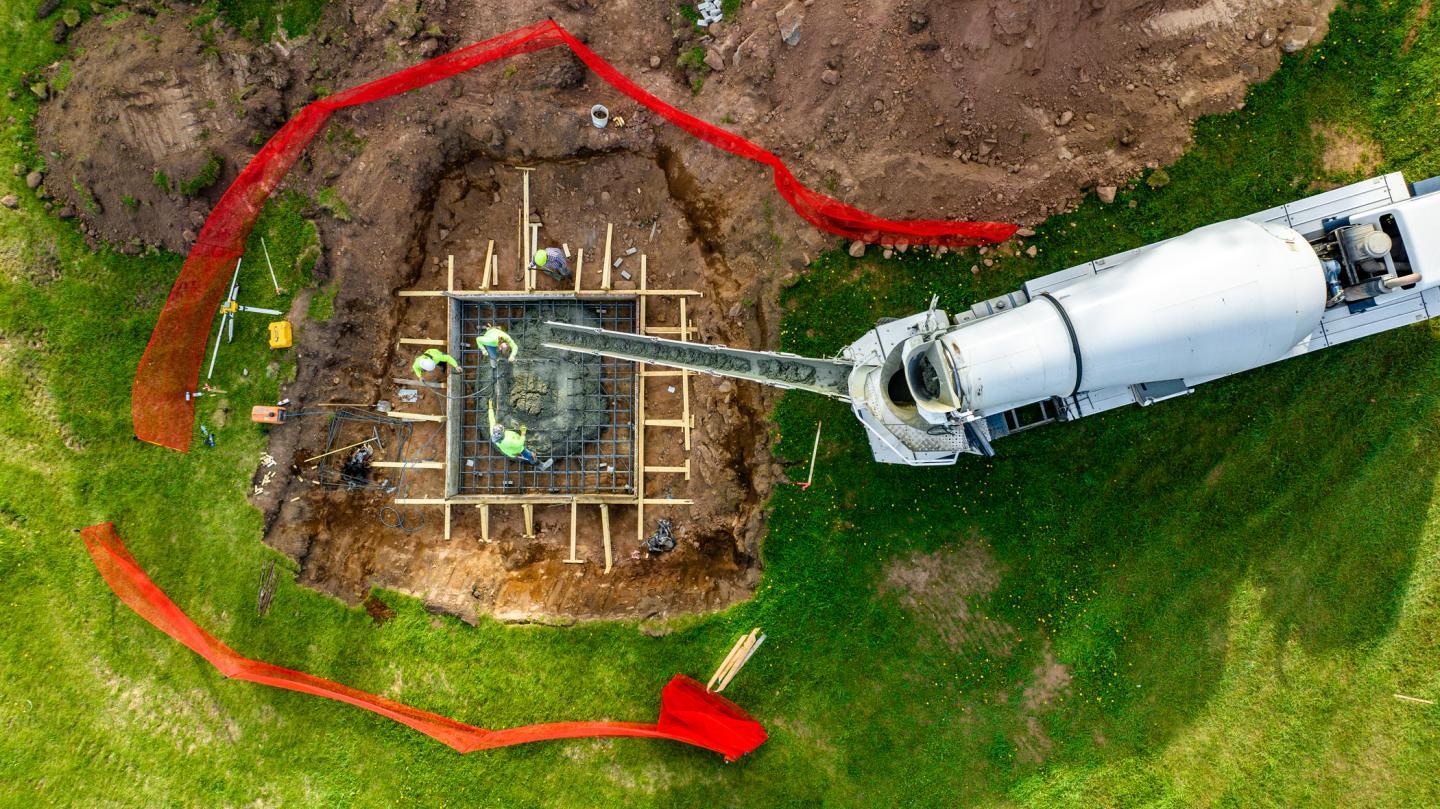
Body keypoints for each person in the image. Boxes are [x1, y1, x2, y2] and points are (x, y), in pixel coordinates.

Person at [488, 399, 553, 469]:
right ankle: (541, 465)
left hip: (509, 446)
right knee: (530, 456)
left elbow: (491, 419)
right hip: (516, 450)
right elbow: (520, 443)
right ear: (502, 433)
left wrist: (490, 408)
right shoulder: (508, 441)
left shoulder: (493, 432)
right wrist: (523, 433)